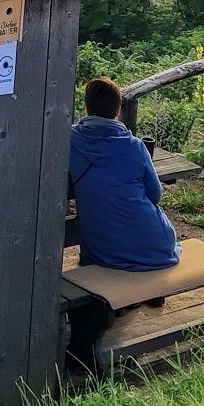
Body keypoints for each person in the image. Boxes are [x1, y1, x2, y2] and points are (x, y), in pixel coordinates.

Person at [69, 77, 178, 271]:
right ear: (118, 109)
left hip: (101, 251)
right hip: (154, 249)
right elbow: (155, 195)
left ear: (87, 106)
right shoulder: (134, 146)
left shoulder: (71, 140)